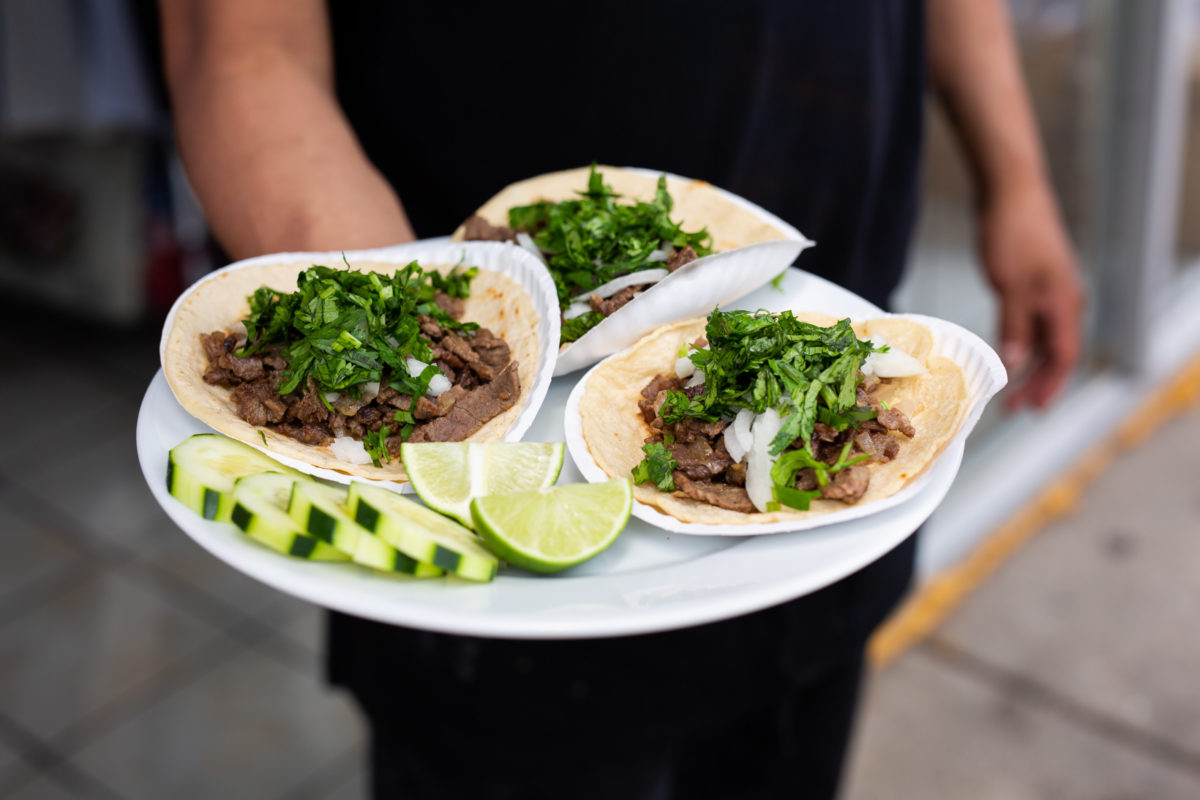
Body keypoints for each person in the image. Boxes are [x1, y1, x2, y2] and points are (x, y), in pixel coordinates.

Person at [160, 2, 1084, 797]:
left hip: (836, 453)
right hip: (507, 565)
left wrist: (1017, 175)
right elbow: (238, 45)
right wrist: (395, 348)